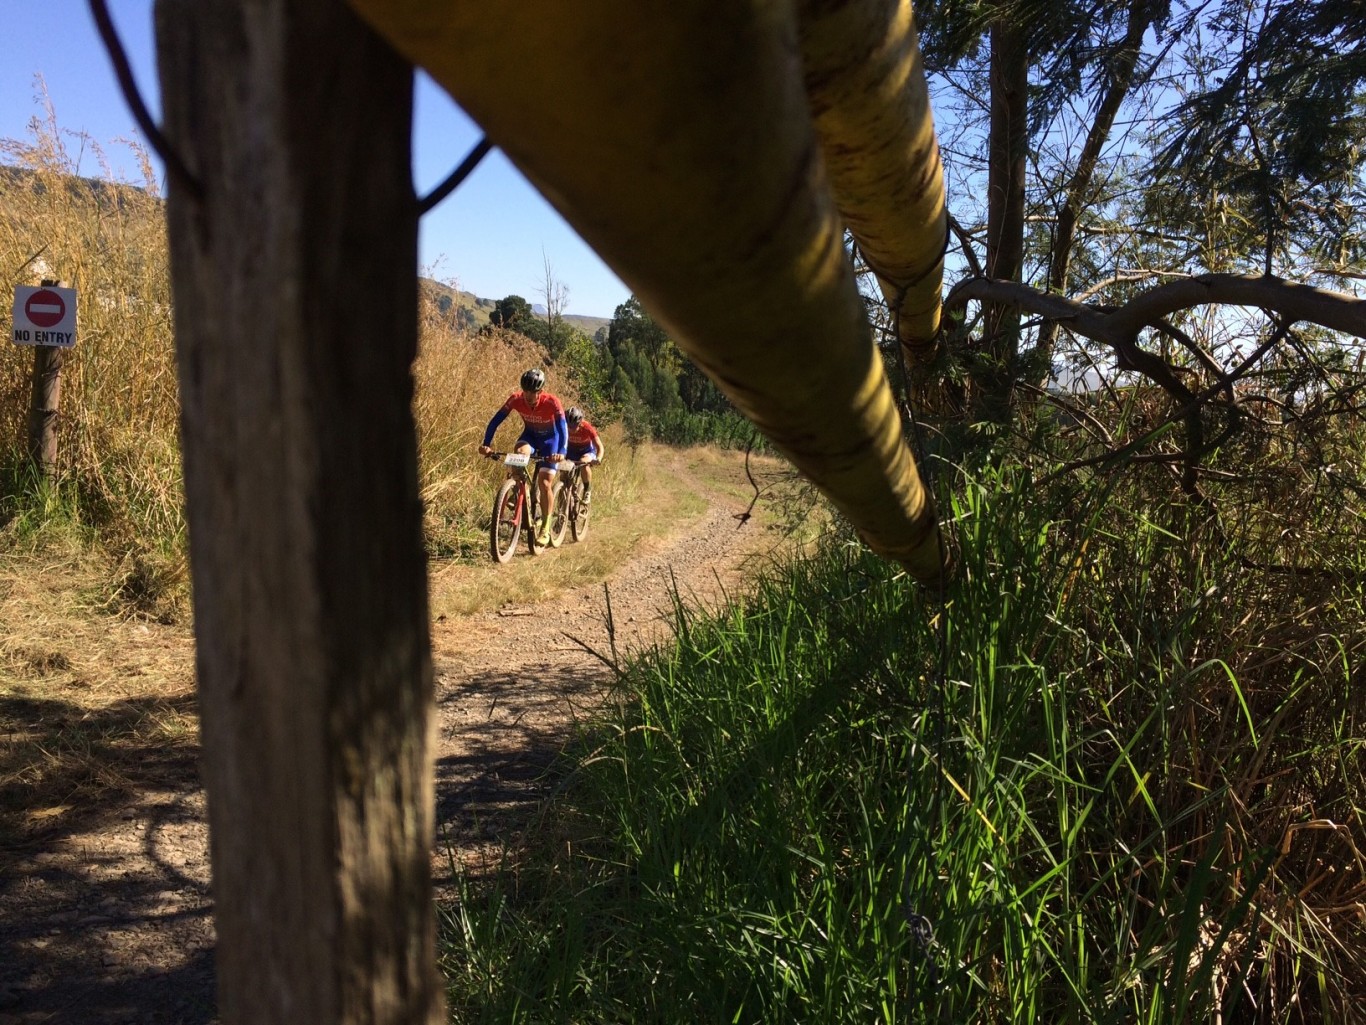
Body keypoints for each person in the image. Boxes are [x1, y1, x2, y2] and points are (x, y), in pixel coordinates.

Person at [478, 368, 566, 545]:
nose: (528, 396)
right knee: (518, 455)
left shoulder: (552, 403)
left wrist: (561, 453)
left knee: (545, 482)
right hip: (530, 437)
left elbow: (563, 430)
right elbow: (495, 421)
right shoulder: (515, 399)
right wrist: (486, 444)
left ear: (540, 391)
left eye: (532, 392)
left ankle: (546, 528)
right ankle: (517, 489)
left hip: (551, 442)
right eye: (525, 391)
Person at [564, 406, 604, 504]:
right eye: (569, 426)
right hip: (571, 451)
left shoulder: (587, 428)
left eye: (574, 426)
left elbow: (599, 446)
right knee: (563, 471)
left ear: (580, 423)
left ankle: (587, 490)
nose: (571, 429)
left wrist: (598, 458)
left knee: (583, 463)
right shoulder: (562, 427)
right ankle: (563, 492)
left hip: (586, 451)